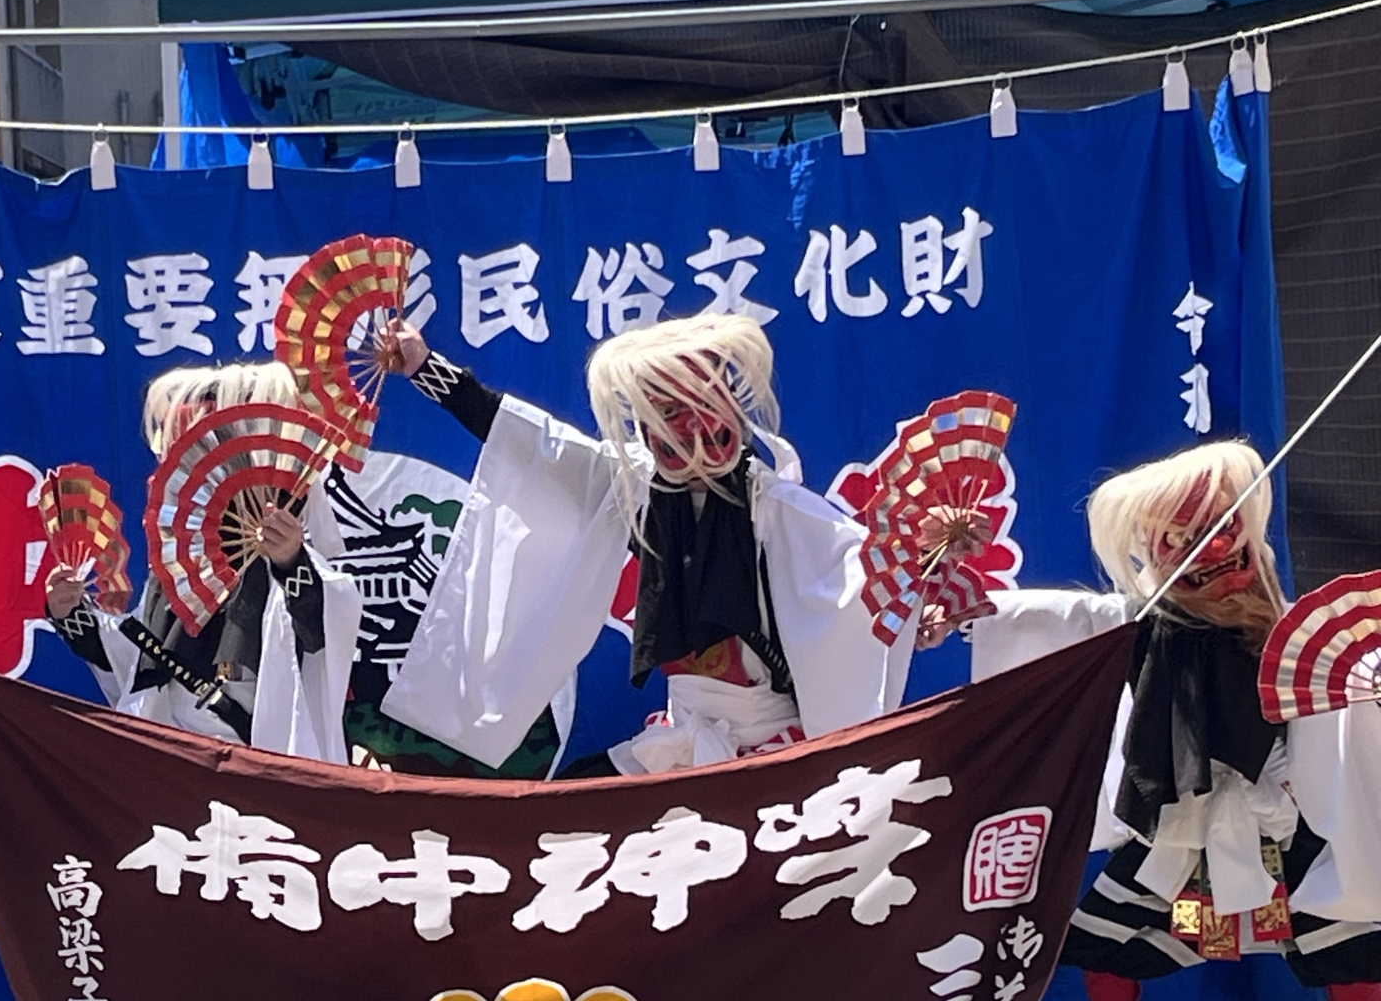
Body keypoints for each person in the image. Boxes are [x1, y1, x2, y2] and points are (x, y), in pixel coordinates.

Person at [966, 440, 1381, 1001]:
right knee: (1102, 932)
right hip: (1180, 814)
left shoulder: (1286, 629)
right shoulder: (1143, 620)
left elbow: (1333, 689)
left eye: (1222, 535)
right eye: (1186, 540)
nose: (1210, 553)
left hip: (1279, 805)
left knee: (1342, 930)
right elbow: (1069, 618)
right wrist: (983, 607)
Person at [375, 315, 911, 776]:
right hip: (681, 734)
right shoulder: (633, 488)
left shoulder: (778, 511)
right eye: (671, 415)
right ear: (648, 427)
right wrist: (425, 368)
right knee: (569, 808)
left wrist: (923, 592)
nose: (692, 433)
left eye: (705, 408)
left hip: (772, 745)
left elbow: (865, 577)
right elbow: (536, 443)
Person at [44, 360, 361, 762]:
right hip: (177, 759)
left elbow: (327, 625)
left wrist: (289, 561)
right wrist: (73, 614)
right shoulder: (181, 562)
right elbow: (141, 657)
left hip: (262, 755)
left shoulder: (296, 557)